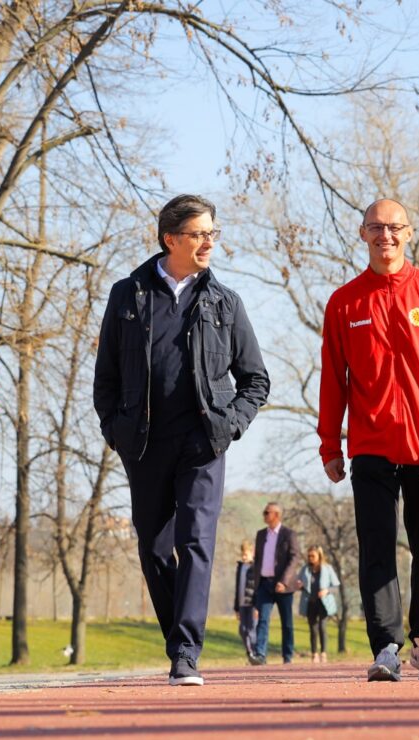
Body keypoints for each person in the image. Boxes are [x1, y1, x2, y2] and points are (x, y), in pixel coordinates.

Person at [94, 194, 269, 686]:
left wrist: (228, 424)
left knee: (196, 542)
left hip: (202, 443)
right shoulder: (127, 296)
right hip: (144, 444)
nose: (209, 242)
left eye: (213, 233)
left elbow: (255, 380)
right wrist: (116, 430)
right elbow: (105, 378)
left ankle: (186, 652)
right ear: (171, 239)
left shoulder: (225, 302)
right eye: (199, 234)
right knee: (153, 547)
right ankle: (180, 637)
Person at [317, 198, 419, 682]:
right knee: (377, 549)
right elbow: (332, 380)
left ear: (409, 233)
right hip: (371, 446)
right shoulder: (344, 302)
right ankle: (385, 646)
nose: (385, 235)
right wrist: (330, 444)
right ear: (362, 234)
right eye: (375, 228)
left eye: (394, 227)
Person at [248, 502, 302, 665]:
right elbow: (257, 560)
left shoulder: (289, 534)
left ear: (276, 515)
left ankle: (287, 656)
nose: (264, 515)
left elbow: (294, 558)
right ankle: (260, 655)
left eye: (267, 512)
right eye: (264, 512)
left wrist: (284, 582)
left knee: (287, 623)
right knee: (262, 620)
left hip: (283, 586)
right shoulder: (260, 535)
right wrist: (256, 584)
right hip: (264, 584)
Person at [298, 545, 340, 662]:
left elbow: (336, 586)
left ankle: (324, 653)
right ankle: (314, 653)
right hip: (310, 603)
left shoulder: (327, 568)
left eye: (313, 556)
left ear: (319, 555)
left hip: (324, 603)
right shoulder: (305, 569)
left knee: (322, 627)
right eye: (309, 556)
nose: (310, 558)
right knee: (313, 628)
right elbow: (300, 583)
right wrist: (300, 585)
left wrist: (327, 591)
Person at [233, 539, 257, 659]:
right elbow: (238, 588)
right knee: (242, 630)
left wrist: (258, 606)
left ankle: (256, 653)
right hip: (242, 605)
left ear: (252, 553)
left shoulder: (255, 567)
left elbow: (257, 588)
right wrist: (236, 608)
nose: (243, 556)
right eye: (242, 554)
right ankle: (249, 652)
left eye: (246, 554)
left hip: (252, 605)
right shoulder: (240, 567)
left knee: (252, 630)